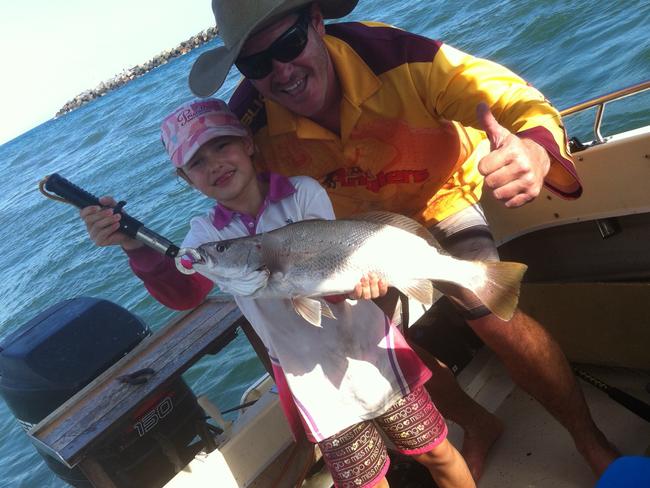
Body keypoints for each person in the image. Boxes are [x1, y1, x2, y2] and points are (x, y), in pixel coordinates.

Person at [186, 0, 619, 480]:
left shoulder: (399, 56)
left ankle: (590, 440)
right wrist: (140, 247)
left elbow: (513, 100)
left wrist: (534, 149)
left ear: (316, 22)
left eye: (289, 44)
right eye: (256, 63)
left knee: (489, 306)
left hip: (441, 193)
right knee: (389, 345)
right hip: (350, 241)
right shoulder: (247, 124)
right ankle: (479, 424)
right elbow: (236, 197)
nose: (281, 71)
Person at [80, 98, 476, 488]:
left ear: (248, 144)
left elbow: (333, 266)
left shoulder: (302, 192)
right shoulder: (206, 237)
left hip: (370, 349)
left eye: (222, 145)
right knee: (366, 485)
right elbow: (184, 292)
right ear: (186, 179)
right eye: (197, 162)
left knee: (434, 451)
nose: (214, 163)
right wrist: (134, 247)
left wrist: (356, 288)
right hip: (313, 382)